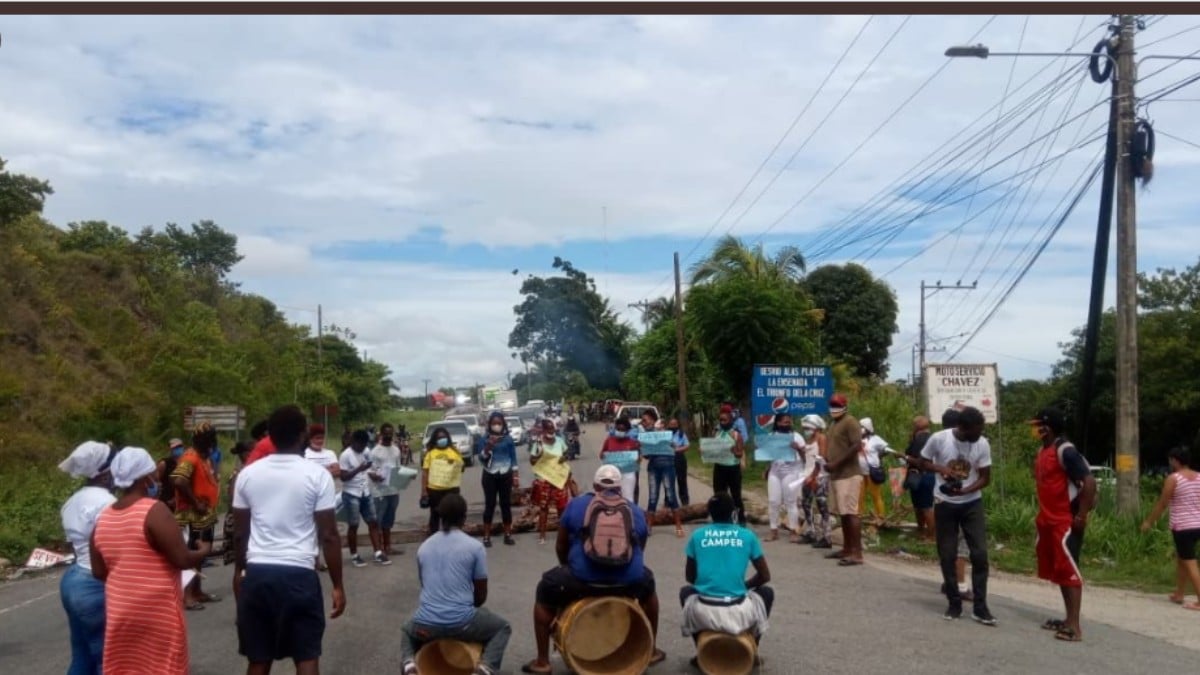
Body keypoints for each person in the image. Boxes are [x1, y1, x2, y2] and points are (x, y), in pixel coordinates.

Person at [232, 404, 346, 675]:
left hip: (258, 573)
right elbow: (329, 535)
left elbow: (240, 533)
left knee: (258, 658)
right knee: (306, 656)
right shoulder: (317, 475)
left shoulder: (247, 475)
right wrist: (338, 584)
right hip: (299, 575)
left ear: (269, 435)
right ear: (302, 435)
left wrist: (239, 572)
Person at [522, 465, 665, 674]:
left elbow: (561, 545)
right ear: (620, 488)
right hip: (627, 580)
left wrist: (568, 566)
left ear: (596, 485)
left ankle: (542, 661)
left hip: (582, 579)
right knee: (650, 588)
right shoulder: (634, 510)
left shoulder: (577, 504)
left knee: (544, 590)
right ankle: (650, 650)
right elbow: (639, 547)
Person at [91, 447, 209, 675]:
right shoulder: (155, 511)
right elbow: (182, 559)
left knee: (127, 668)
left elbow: (98, 571)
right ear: (145, 478)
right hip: (157, 611)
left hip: (120, 611)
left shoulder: (103, 518)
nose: (157, 478)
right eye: (154, 473)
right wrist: (203, 551)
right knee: (162, 668)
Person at [401, 494, 512, 675]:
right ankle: (485, 669)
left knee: (407, 630)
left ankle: (409, 665)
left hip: (426, 624)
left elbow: (425, 585)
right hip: (462, 623)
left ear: (441, 517)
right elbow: (480, 596)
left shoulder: (424, 547)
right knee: (502, 627)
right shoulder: (474, 547)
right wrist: (465, 607)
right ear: (464, 518)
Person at [918, 405, 997, 625]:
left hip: (972, 503)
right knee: (947, 554)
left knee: (980, 554)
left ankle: (980, 607)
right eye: (975, 431)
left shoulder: (982, 443)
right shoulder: (939, 439)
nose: (979, 435)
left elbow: (985, 477)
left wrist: (966, 490)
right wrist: (941, 470)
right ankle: (954, 603)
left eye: (981, 430)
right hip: (945, 503)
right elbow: (921, 461)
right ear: (962, 428)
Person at [1030, 408, 1096, 642]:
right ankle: (1067, 619)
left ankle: (1075, 627)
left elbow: (1088, 481)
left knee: (1069, 571)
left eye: (1037, 425)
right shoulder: (1043, 451)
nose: (1034, 429)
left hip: (1064, 521)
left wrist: (1081, 516)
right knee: (1059, 571)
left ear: (1047, 427)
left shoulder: (1064, 451)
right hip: (1048, 520)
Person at [680, 493, 773, 656]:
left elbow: (690, 577)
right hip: (740, 613)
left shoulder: (697, 536)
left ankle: (702, 652)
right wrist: (743, 585)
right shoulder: (747, 535)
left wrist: (709, 584)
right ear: (733, 513)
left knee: (685, 592)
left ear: (710, 513)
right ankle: (752, 649)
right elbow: (765, 576)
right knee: (767, 593)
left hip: (703, 612)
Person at [58, 441, 118, 675]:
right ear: (105, 472)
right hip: (94, 583)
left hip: (72, 580)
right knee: (108, 659)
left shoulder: (72, 501)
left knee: (82, 656)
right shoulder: (107, 503)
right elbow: (111, 550)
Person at [1142, 446, 1200, 611]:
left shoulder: (1173, 479)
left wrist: (1149, 522)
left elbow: (1162, 503)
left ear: (1175, 460)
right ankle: (1179, 593)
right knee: (1182, 559)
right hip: (1198, 524)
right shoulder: (1199, 477)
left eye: (1170, 460)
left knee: (1190, 562)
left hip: (1183, 526)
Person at [171, 423, 221, 609]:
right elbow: (179, 481)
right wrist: (195, 503)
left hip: (204, 515)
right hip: (193, 516)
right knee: (192, 554)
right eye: (209, 437)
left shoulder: (204, 457)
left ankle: (198, 591)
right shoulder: (190, 457)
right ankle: (188, 596)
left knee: (201, 555)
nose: (212, 441)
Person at [823, 394, 864, 565]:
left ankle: (857, 553)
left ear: (845, 406)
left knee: (851, 512)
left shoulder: (850, 421)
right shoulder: (833, 424)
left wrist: (836, 463)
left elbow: (857, 445)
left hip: (849, 474)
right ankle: (847, 548)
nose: (834, 407)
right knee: (843, 513)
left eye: (837, 405)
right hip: (836, 475)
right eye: (832, 404)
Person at [340, 430, 390, 567]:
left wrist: (374, 475)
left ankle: (378, 552)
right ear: (353, 442)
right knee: (354, 525)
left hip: (365, 492)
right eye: (360, 445)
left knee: (373, 522)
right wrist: (359, 469)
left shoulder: (366, 451)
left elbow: (370, 468)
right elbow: (343, 477)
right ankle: (354, 555)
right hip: (351, 493)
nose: (362, 448)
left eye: (364, 445)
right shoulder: (345, 455)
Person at [476, 411, 518, 547]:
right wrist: (489, 446)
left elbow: (513, 458)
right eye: (494, 423)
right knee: (490, 505)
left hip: (506, 473)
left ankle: (508, 534)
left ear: (503, 424)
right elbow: (481, 458)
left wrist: (516, 476)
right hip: (490, 474)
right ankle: (486, 536)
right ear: (490, 425)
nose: (497, 426)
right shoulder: (484, 439)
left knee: (506, 504)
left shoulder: (508, 439)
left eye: (499, 423)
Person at [530, 419, 572, 545]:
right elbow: (532, 461)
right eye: (548, 429)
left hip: (558, 477)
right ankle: (542, 535)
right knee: (544, 507)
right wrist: (539, 455)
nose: (551, 432)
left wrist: (564, 458)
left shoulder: (559, 441)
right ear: (543, 430)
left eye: (552, 429)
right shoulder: (538, 444)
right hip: (544, 478)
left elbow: (567, 453)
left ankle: (563, 533)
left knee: (562, 507)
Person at [764, 413, 805, 542]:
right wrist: (767, 468)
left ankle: (793, 530)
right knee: (773, 501)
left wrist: (798, 449)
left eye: (789, 422)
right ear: (777, 423)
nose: (787, 425)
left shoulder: (797, 436)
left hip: (791, 472)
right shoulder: (771, 437)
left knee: (790, 502)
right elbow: (769, 455)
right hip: (775, 471)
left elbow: (805, 458)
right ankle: (773, 530)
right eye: (784, 422)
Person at [645, 414, 685, 538]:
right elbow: (647, 456)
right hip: (653, 468)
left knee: (671, 495)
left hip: (668, 467)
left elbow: (675, 448)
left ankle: (678, 525)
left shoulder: (670, 437)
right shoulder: (650, 438)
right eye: (658, 425)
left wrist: (669, 442)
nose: (660, 427)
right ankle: (649, 526)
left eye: (662, 425)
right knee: (652, 496)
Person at [369, 422, 405, 556]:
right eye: (386, 434)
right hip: (379, 491)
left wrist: (406, 477)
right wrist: (376, 477)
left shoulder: (396, 450)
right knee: (378, 520)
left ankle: (388, 547)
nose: (388, 436)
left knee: (389, 521)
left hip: (393, 490)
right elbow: (369, 471)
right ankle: (379, 549)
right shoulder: (375, 451)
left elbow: (398, 468)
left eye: (391, 433)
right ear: (381, 434)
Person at [422, 427, 465, 535]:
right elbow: (425, 473)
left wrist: (454, 463)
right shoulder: (430, 453)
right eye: (440, 437)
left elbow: (462, 468)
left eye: (444, 437)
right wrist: (424, 491)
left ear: (448, 438)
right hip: (435, 490)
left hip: (452, 489)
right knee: (435, 514)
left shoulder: (454, 451)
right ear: (435, 439)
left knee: (452, 513)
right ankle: (434, 536)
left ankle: (452, 535)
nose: (442, 439)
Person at [798, 414, 832, 548]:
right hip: (807, 475)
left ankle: (827, 536)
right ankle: (811, 532)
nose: (805, 430)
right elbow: (807, 460)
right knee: (806, 504)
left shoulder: (821, 438)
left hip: (819, 476)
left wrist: (814, 476)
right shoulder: (809, 440)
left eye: (807, 427)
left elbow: (821, 459)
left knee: (822, 505)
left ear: (815, 427)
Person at [899, 416, 935, 540]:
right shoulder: (930, 438)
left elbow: (919, 461)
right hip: (924, 475)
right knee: (919, 506)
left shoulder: (920, 439)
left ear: (918, 426)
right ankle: (922, 532)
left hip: (922, 475)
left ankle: (930, 535)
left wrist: (905, 457)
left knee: (925, 507)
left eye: (914, 424)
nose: (912, 426)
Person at [712, 405, 748, 526]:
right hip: (719, 467)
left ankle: (741, 521)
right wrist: (705, 451)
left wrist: (734, 451)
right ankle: (720, 520)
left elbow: (739, 453)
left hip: (733, 469)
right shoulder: (716, 433)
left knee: (736, 496)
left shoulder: (736, 435)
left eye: (725, 420)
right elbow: (712, 450)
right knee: (719, 495)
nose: (722, 422)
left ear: (731, 420)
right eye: (721, 420)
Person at [222, 441, 253, 566]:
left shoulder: (248, 471)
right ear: (245, 454)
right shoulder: (238, 474)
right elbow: (233, 499)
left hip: (245, 519)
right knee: (241, 566)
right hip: (239, 520)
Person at [600, 416, 641, 502]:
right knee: (611, 498)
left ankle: (629, 513)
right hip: (612, 473)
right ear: (615, 428)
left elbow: (638, 457)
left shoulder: (632, 443)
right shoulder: (609, 440)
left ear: (627, 431)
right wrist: (605, 457)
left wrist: (637, 460)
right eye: (618, 429)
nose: (620, 431)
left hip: (628, 474)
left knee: (628, 497)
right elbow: (601, 455)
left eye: (623, 430)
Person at [859, 417, 890, 525]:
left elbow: (887, 449)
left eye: (861, 427)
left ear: (867, 428)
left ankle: (881, 516)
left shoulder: (875, 439)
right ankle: (860, 515)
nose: (860, 429)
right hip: (860, 472)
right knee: (860, 495)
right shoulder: (858, 439)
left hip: (872, 471)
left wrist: (879, 456)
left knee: (875, 495)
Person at [667, 417, 691, 506]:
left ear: (678, 425)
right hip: (668, 459)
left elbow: (687, 446)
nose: (673, 426)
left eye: (675, 424)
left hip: (679, 458)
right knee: (669, 482)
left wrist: (677, 449)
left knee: (682, 481)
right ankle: (668, 503)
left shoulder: (681, 434)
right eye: (671, 424)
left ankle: (685, 502)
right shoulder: (665, 434)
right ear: (668, 425)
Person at [155, 439, 185, 512]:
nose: (178, 449)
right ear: (170, 449)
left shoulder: (186, 462)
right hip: (167, 502)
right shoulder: (164, 463)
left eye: (179, 447)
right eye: (175, 448)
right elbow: (156, 482)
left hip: (183, 501)